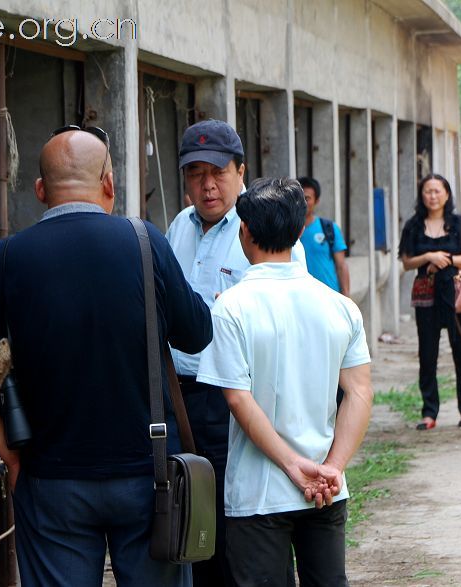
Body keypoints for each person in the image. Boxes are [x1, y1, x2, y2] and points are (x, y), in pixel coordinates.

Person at [0, 127, 212, 586]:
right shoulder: (144, 241)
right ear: (109, 183)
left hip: (51, 481)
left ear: (39, 190)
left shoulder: (8, 258)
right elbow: (197, 334)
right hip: (149, 475)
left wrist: (12, 460)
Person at [197, 177, 373, 586]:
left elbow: (239, 401)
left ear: (245, 232)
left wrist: (294, 466)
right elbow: (359, 392)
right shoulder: (340, 307)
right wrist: (333, 466)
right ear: (299, 232)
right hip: (327, 491)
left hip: (259, 495)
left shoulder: (231, 309)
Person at [165, 119, 306, 586]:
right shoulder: (177, 229)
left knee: (244, 524)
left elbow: (286, 321)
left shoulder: (265, 230)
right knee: (191, 521)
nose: (207, 185)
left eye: (218, 172)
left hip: (237, 399)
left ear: (241, 170)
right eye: (195, 173)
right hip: (181, 400)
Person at [399, 174, 461, 430]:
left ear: (446, 194)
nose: (432, 196)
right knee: (428, 355)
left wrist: (449, 260)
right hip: (426, 297)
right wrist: (428, 256)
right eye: (427, 191)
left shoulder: (459, 224)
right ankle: (429, 412)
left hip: (456, 294)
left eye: (437, 191)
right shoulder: (413, 226)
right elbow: (406, 262)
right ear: (422, 196)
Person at [297, 176, 350, 295]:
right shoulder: (287, 231)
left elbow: (341, 265)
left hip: (330, 298)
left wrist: (347, 298)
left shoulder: (329, 228)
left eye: (307, 198)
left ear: (316, 201)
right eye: (300, 198)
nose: (303, 203)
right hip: (301, 300)